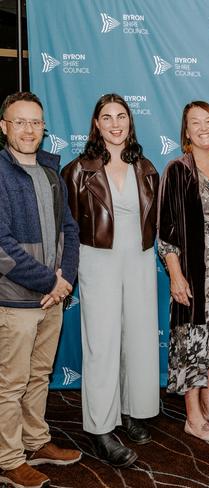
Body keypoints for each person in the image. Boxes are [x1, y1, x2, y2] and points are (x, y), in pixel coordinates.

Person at [62, 94, 159, 467]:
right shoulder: (77, 171)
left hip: (139, 257)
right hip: (97, 258)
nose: (115, 124)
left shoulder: (146, 167)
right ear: (96, 124)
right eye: (107, 117)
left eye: (122, 116)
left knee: (137, 338)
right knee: (101, 343)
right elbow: (68, 228)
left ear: (130, 122)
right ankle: (100, 427)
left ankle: (130, 410)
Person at [0, 92, 81, 488]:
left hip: (52, 298)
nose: (29, 130)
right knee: (10, 383)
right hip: (15, 300)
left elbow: (69, 228)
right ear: (4, 127)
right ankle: (9, 460)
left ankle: (35, 441)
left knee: (38, 376)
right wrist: (51, 281)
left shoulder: (51, 172)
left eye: (36, 122)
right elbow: (1, 245)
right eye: (20, 122)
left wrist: (65, 278)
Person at [158, 101, 209, 443]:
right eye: (196, 123)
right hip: (194, 275)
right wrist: (175, 275)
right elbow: (166, 231)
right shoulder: (178, 170)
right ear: (186, 131)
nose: (204, 127)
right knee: (192, 343)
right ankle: (193, 417)